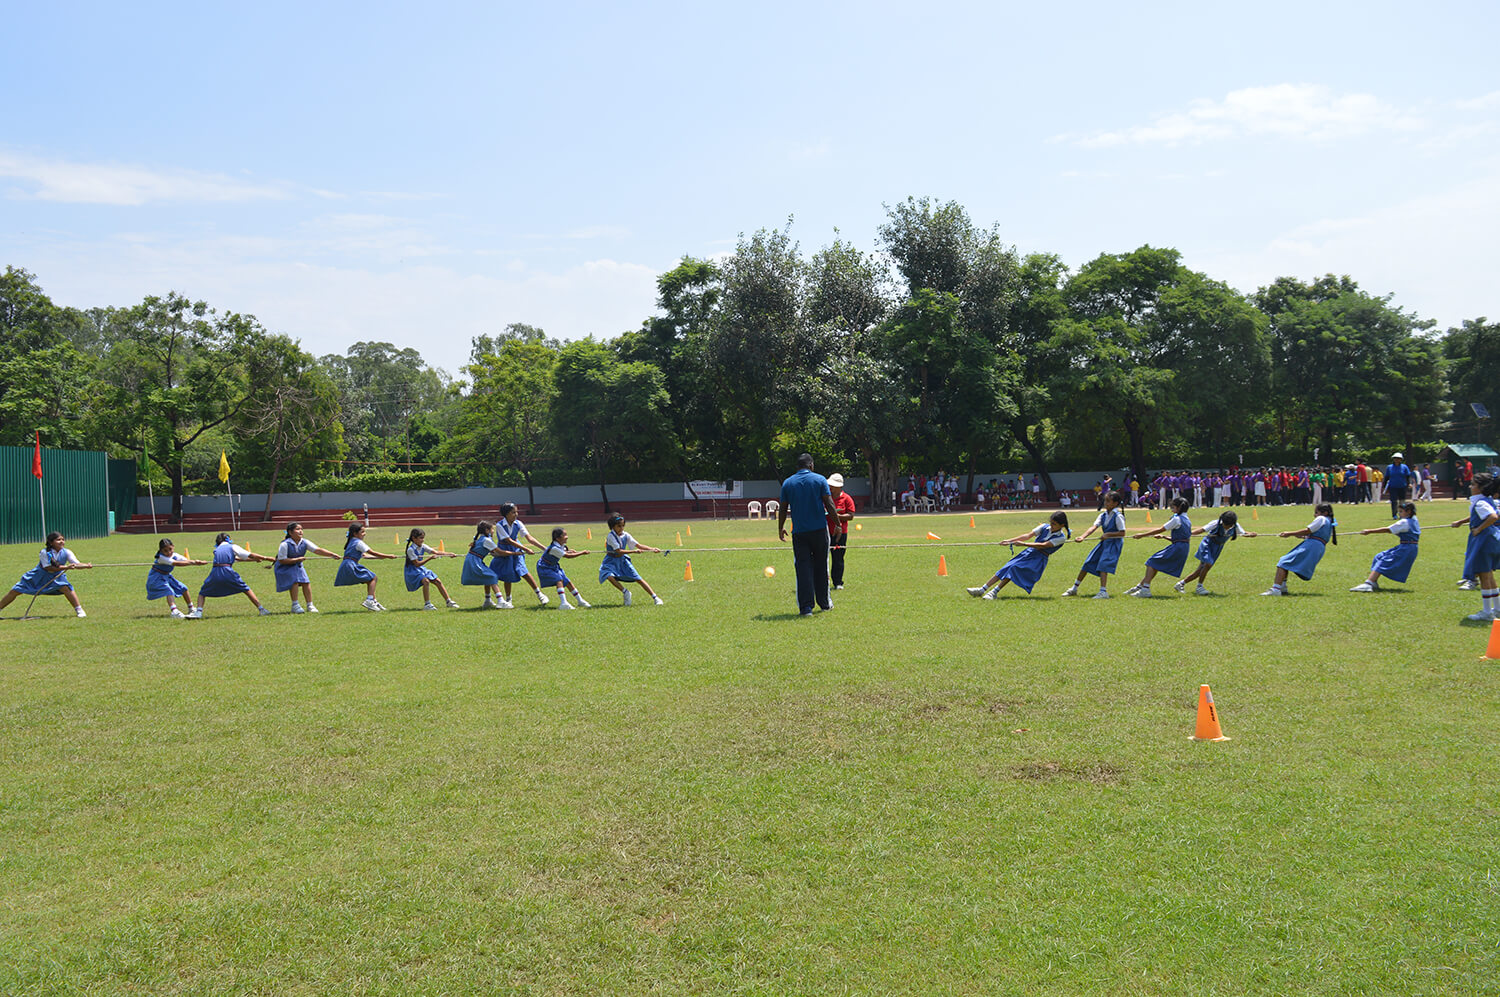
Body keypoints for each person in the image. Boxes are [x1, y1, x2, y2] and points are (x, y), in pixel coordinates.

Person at [777, 453, 840, 616]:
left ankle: (806, 608)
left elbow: (783, 508)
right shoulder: (820, 480)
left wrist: (780, 527)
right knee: (821, 566)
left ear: (797, 467)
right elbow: (829, 504)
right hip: (819, 531)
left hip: (799, 533)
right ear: (811, 465)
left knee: (803, 568)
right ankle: (825, 604)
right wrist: (838, 524)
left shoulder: (788, 483)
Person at [966, 512, 1071, 599]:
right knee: (1006, 567)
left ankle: (994, 592)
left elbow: (1043, 545)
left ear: (1062, 525)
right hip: (1029, 552)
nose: (1051, 525)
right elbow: (1028, 535)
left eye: (1054, 524)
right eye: (1051, 522)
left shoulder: (1061, 538)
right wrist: (1009, 541)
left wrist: (1023, 544)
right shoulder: (1044, 527)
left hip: (1038, 559)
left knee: (1013, 569)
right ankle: (982, 589)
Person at [0, 532, 92, 618]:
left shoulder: (67, 552)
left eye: (63, 539)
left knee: (66, 588)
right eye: (58, 540)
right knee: (15, 591)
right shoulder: (44, 552)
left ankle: (79, 610)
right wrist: (66, 567)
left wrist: (86, 566)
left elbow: (76, 564)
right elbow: (48, 568)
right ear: (51, 542)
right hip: (38, 577)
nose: (61, 542)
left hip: (56, 577)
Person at [1448, 474, 1500, 621]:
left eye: (1473, 484)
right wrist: (1461, 522)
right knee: (1489, 575)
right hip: (1492, 539)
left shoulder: (1480, 503)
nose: (1470, 487)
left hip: (1484, 541)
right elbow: (1484, 514)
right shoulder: (1487, 500)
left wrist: (1478, 529)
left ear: (1481, 487)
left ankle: (1487, 612)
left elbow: (1493, 517)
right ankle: (1497, 608)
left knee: (1484, 576)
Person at [188, 532, 275, 617]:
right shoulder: (233, 546)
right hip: (227, 571)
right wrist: (266, 558)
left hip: (215, 572)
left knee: (202, 592)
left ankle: (199, 612)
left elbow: (237, 558)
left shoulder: (217, 549)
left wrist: (254, 560)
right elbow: (250, 554)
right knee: (246, 589)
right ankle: (261, 609)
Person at [1262, 503, 1337, 596]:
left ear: (1324, 513)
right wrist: (1303, 536)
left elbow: (1308, 530)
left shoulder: (1321, 518)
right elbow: (1317, 535)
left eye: (1316, 512)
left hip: (1312, 546)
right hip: (1318, 547)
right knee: (1286, 562)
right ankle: (1282, 587)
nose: (1314, 515)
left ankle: (1276, 589)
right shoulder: (1329, 521)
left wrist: (1289, 533)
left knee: (1283, 562)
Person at [1177, 510, 1256, 595]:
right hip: (1207, 545)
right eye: (1226, 525)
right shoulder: (1215, 523)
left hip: (1217, 548)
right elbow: (1201, 530)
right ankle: (1199, 587)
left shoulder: (1235, 526)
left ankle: (1181, 584)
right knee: (1207, 564)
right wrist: (1186, 534)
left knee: (1201, 570)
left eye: (1229, 526)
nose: (1227, 528)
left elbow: (1243, 533)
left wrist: (1251, 534)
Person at [1064, 490, 1126, 599]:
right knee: (1088, 562)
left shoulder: (1118, 516)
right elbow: (1093, 527)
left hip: (1113, 544)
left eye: (1108, 501)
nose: (1106, 503)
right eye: (1105, 501)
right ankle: (1074, 588)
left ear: (1115, 503)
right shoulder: (1103, 515)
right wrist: (1082, 537)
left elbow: (1122, 533)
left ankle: (1103, 592)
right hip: (1104, 543)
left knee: (1103, 565)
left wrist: (1108, 534)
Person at [1124, 497, 1191, 598]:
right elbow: (1182, 539)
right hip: (1183, 547)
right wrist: (1164, 537)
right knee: (1155, 565)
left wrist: (1142, 535)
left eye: (1173, 507)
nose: (1172, 509)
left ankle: (1145, 590)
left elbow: (1160, 529)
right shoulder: (1187, 519)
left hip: (1178, 547)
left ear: (1178, 508)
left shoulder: (1177, 519)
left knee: (1151, 562)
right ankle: (1139, 587)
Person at [1351, 502, 1421, 592]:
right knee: (1380, 556)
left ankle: (1368, 583)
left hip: (1406, 548)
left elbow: (1388, 530)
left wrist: (1370, 531)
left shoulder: (1404, 522)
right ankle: (1373, 581)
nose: (1399, 513)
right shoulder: (1414, 520)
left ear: (1409, 512)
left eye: (1401, 511)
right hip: (1407, 547)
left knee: (1384, 560)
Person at [274, 522, 341, 614]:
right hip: (284, 567)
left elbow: (317, 550)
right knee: (294, 582)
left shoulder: (304, 542)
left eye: (301, 529)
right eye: (297, 529)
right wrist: (297, 559)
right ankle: (295, 605)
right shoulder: (285, 544)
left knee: (306, 582)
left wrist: (332, 554)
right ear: (290, 532)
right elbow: (282, 560)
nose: (300, 531)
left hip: (297, 565)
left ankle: (310, 605)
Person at [599, 513, 665, 605]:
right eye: (619, 526)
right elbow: (618, 551)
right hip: (611, 561)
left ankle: (655, 598)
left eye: (623, 525)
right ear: (612, 527)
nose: (621, 528)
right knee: (609, 576)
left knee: (638, 579)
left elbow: (638, 545)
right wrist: (634, 552)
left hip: (623, 561)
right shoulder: (610, 536)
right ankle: (625, 592)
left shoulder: (626, 535)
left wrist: (652, 549)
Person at [493, 502, 549, 607]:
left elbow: (530, 538)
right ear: (506, 514)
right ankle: (508, 600)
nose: (516, 514)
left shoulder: (518, 523)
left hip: (517, 548)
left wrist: (545, 549)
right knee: (507, 574)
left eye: (516, 512)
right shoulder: (499, 525)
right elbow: (509, 540)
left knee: (523, 571)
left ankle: (540, 595)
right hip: (505, 550)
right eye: (513, 512)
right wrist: (526, 549)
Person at [333, 524, 397, 611]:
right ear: (355, 533)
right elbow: (372, 552)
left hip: (347, 565)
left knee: (369, 580)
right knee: (373, 578)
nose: (365, 534)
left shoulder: (352, 541)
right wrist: (388, 556)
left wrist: (380, 558)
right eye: (362, 532)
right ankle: (369, 600)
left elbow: (365, 556)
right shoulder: (358, 542)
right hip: (351, 565)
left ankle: (373, 601)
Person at [145, 537, 206, 618]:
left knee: (183, 588)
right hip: (157, 577)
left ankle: (191, 608)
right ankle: (174, 611)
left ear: (173, 547)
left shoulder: (175, 555)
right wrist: (193, 562)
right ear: (161, 550)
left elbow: (185, 560)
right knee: (169, 591)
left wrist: (196, 562)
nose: (169, 552)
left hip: (167, 576)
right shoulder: (160, 558)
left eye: (170, 549)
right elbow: (177, 563)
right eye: (165, 551)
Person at [403, 528, 459, 609]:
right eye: (420, 538)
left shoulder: (423, 546)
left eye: (423, 538)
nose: (422, 540)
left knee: (437, 581)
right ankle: (427, 604)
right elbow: (417, 564)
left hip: (421, 568)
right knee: (426, 581)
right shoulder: (410, 550)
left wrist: (449, 554)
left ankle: (448, 601)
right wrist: (429, 558)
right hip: (412, 571)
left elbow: (436, 552)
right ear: (414, 538)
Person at [536, 527, 592, 609]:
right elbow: (567, 556)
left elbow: (564, 552)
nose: (567, 537)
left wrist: (569, 551)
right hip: (545, 567)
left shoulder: (561, 545)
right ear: (558, 538)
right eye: (564, 535)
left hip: (553, 566)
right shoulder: (554, 548)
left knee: (567, 582)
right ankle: (563, 603)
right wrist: (582, 552)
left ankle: (580, 601)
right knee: (559, 580)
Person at [461, 521, 506, 608]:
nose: (493, 531)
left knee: (487, 578)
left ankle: (487, 601)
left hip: (473, 560)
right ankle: (501, 601)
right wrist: (514, 553)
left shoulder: (482, 538)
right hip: (474, 562)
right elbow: (499, 552)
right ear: (487, 530)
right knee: (492, 576)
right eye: (492, 529)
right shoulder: (486, 540)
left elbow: (493, 553)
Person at [827, 472, 856, 590]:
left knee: (838, 558)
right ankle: (823, 581)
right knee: (822, 558)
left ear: (839, 487)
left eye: (833, 486)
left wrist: (836, 516)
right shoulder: (825, 498)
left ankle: (838, 582)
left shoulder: (846, 498)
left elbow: (851, 515)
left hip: (841, 533)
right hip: (825, 532)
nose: (830, 487)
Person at [1384, 452, 1416, 520]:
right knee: (1394, 501)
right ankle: (1394, 515)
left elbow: (1407, 476)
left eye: (1398, 458)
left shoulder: (1404, 467)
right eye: (1395, 458)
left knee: (1402, 501)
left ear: (1401, 459)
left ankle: (1402, 514)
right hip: (1393, 486)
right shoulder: (1389, 467)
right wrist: (1384, 486)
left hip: (1402, 486)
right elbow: (1387, 477)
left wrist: (1409, 484)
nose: (1397, 460)